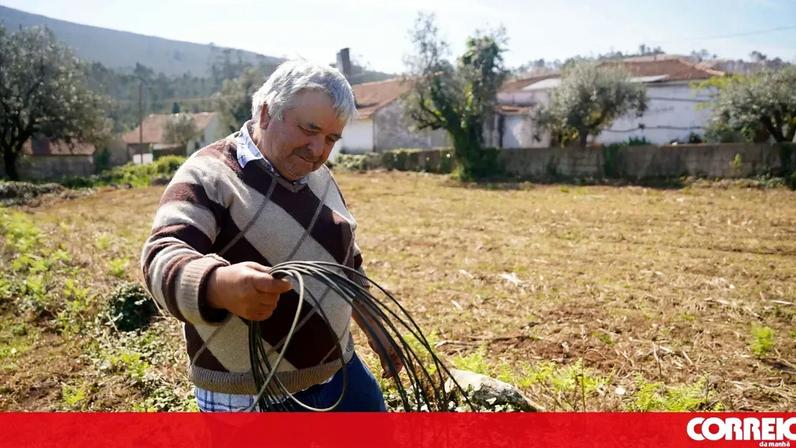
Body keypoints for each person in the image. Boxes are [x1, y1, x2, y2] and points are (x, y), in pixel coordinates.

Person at [140, 60, 402, 412]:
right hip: (251, 393)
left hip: (338, 371)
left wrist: (375, 327)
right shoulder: (210, 175)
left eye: (331, 139)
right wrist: (218, 284)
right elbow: (161, 255)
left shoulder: (318, 174)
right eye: (309, 129)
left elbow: (346, 262)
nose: (318, 150)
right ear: (266, 112)